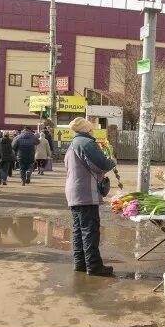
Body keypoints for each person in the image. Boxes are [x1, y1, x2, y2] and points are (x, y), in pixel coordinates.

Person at [64, 117, 116, 276]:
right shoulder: (86, 143)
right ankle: (94, 266)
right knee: (90, 230)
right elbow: (102, 164)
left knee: (79, 230)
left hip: (74, 192)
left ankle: (80, 263)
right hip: (85, 192)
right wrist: (112, 161)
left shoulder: (73, 144)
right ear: (88, 129)